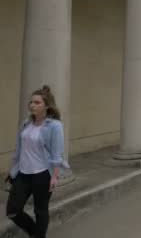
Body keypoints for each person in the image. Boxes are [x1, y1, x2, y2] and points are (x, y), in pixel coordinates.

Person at [6, 85, 67, 238]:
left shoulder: (55, 126)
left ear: (46, 106)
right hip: (23, 173)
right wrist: (13, 170)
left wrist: (54, 177)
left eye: (37, 102)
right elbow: (19, 150)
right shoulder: (26, 123)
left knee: (40, 210)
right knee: (13, 210)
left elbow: (56, 154)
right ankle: (36, 233)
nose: (32, 105)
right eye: (31, 102)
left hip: (42, 174)